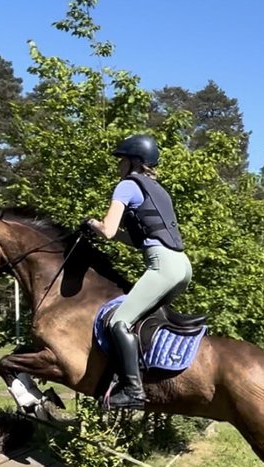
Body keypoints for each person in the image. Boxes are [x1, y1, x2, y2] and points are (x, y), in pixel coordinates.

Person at [84, 134, 193, 410]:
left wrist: (93, 224)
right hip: (182, 266)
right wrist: (111, 233)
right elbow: (140, 239)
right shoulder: (157, 189)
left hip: (162, 267)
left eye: (121, 159)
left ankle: (133, 390)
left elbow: (107, 230)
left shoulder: (126, 186)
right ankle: (137, 372)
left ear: (134, 161)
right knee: (139, 320)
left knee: (117, 322)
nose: (118, 165)